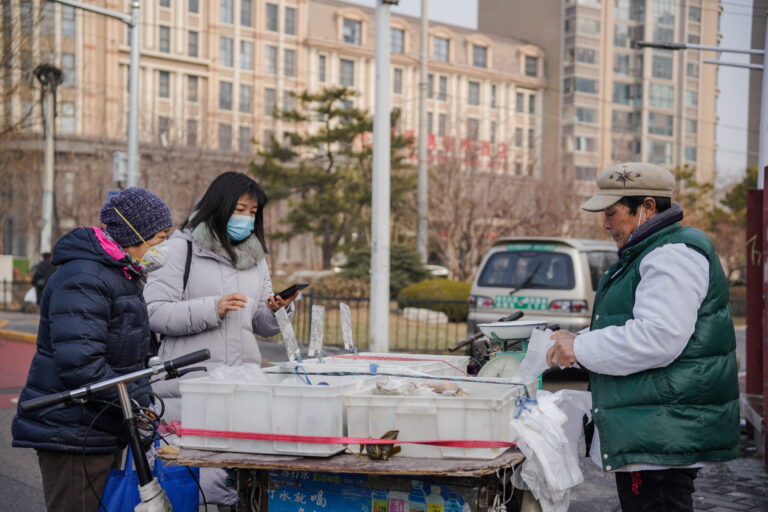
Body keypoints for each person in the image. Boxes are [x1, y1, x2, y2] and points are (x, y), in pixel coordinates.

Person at [546, 163, 739, 512]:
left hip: (662, 430)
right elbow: (636, 322)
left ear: (647, 207)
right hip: (656, 425)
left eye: (612, 213)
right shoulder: (652, 250)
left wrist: (580, 347)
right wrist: (578, 338)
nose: (606, 224)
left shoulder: (672, 254)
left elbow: (657, 337)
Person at [12, 187, 173, 512]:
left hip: (99, 424)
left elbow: (128, 359)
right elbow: (82, 365)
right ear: (136, 233)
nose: (163, 246)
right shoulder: (85, 277)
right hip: (73, 430)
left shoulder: (119, 275)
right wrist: (137, 403)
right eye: (159, 237)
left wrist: (141, 403)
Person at [144, 171, 297, 508]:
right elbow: (153, 312)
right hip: (188, 391)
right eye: (240, 209)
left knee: (232, 491)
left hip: (241, 391)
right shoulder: (177, 251)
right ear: (219, 206)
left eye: (253, 212)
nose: (245, 219)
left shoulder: (255, 258)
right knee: (188, 492)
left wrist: (277, 310)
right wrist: (211, 308)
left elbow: (259, 322)